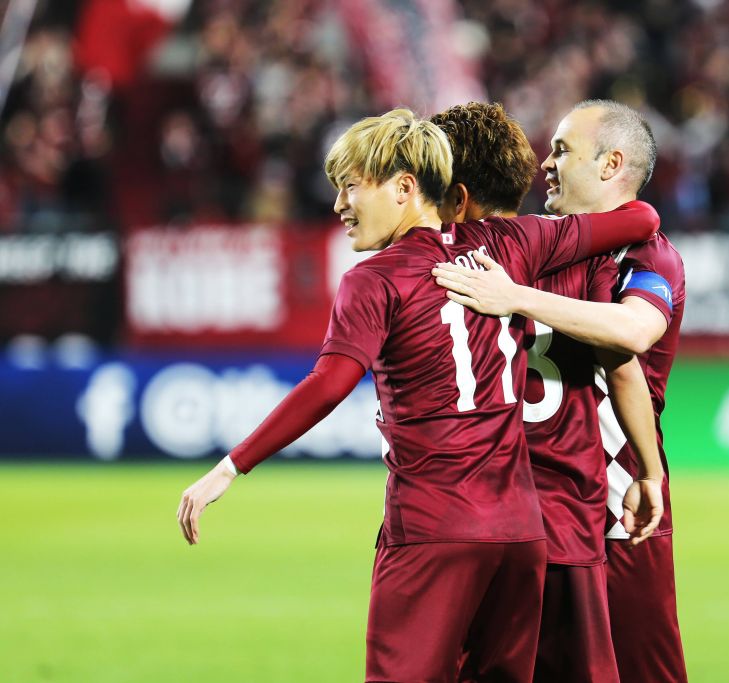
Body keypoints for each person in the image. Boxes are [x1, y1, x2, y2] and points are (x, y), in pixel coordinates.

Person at [176, 108, 662, 683]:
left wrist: (231, 467)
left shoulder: (374, 279)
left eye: (351, 186)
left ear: (406, 188)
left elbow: (329, 384)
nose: (338, 206)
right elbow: (642, 217)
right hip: (520, 534)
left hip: (433, 528)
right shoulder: (508, 245)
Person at [433, 99, 688, 682]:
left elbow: (634, 332)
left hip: (616, 513)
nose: (545, 164)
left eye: (561, 150)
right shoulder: (533, 244)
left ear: (610, 164)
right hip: (533, 510)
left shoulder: (645, 255)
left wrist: (517, 297)